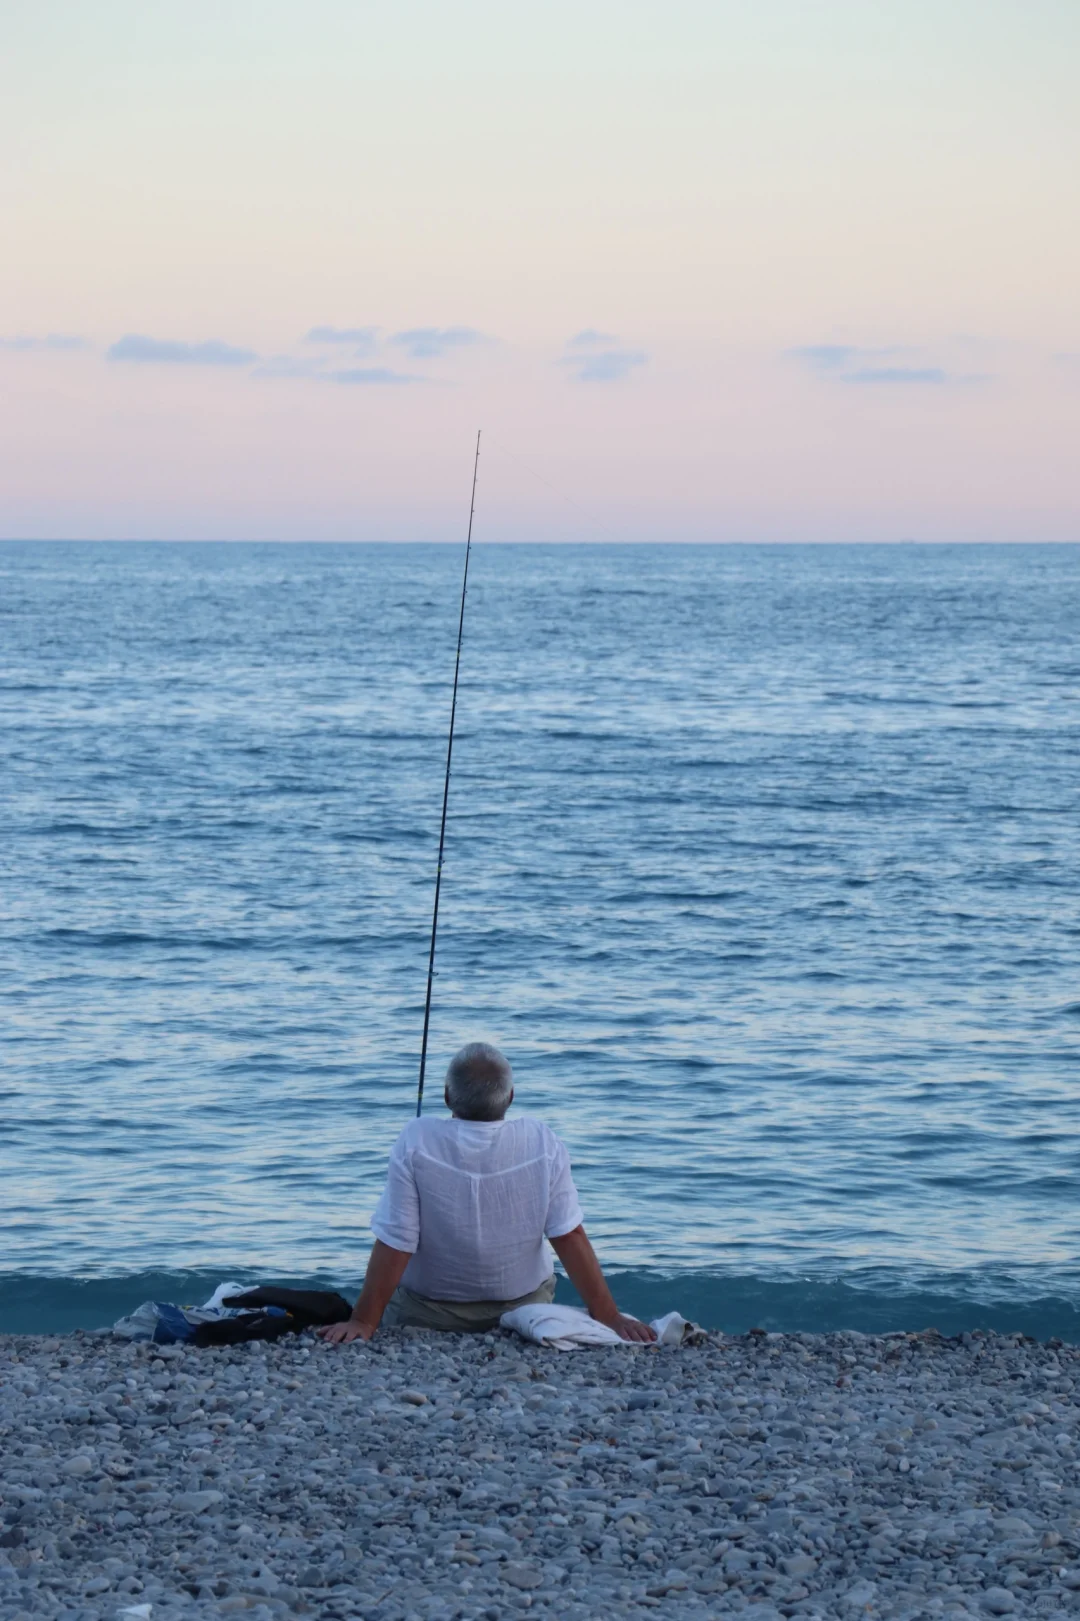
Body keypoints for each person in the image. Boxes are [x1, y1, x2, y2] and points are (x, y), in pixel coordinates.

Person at [319, 1042, 655, 1345]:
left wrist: (363, 1320)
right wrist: (608, 1315)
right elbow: (568, 1234)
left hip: (428, 1314)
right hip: (526, 1311)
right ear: (510, 1097)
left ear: (448, 1096)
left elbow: (397, 1239)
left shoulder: (416, 1139)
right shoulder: (542, 1140)